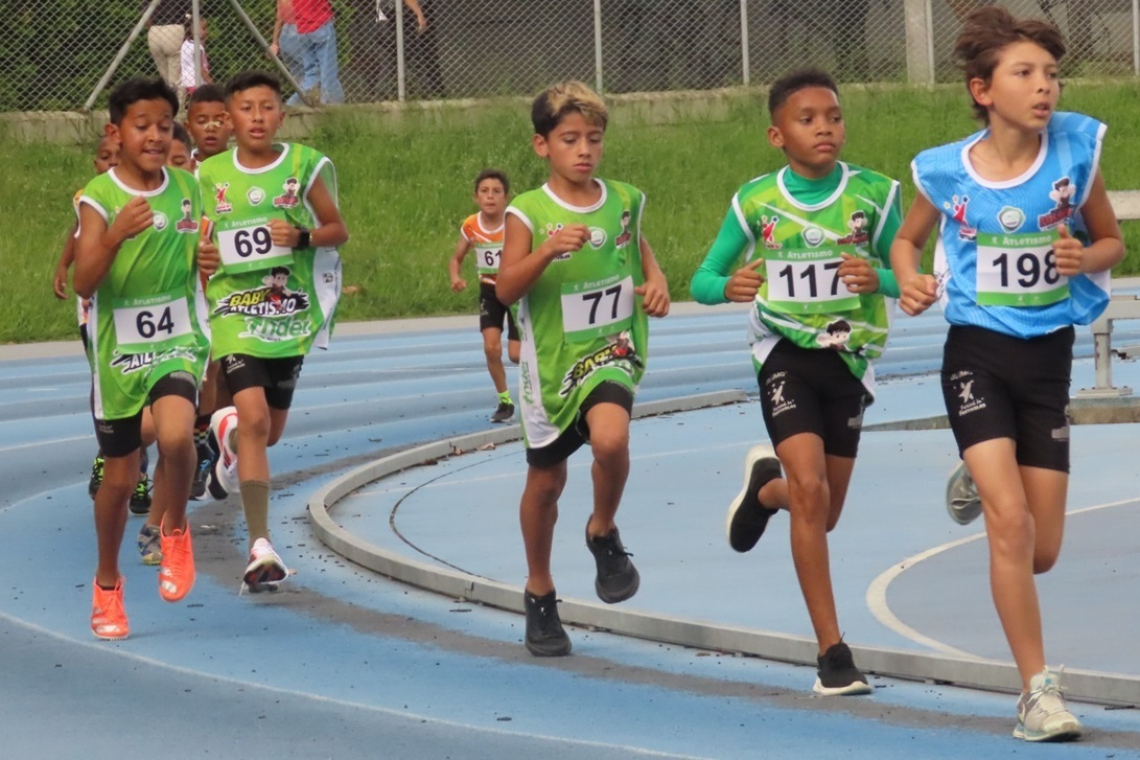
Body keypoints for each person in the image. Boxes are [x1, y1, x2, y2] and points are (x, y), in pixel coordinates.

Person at [890, 6, 1123, 742]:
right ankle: (1037, 691)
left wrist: (1085, 258)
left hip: (1046, 360)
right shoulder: (945, 169)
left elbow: (1111, 239)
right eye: (1025, 73)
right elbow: (907, 240)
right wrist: (908, 280)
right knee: (1011, 524)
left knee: (1041, 550)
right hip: (978, 355)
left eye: (1051, 74)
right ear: (983, 89)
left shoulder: (1075, 155)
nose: (1044, 87)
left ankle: (976, 475)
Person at [690, 68, 902, 696]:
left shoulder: (875, 194)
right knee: (811, 492)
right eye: (808, 119)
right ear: (776, 134)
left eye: (833, 116)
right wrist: (728, 286)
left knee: (821, 510)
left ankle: (764, 492)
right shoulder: (754, 202)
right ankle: (832, 653)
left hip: (849, 360)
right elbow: (702, 280)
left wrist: (880, 278)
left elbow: (918, 275)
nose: (825, 129)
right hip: (783, 354)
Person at [496, 80, 670, 656]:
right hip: (551, 365)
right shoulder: (527, 212)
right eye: (570, 139)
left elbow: (638, 250)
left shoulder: (624, 198)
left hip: (611, 349)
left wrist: (657, 282)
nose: (584, 150)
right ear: (541, 145)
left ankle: (602, 528)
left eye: (593, 139)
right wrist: (545, 251)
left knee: (612, 439)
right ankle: (540, 590)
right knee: (545, 482)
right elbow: (504, 290)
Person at [73, 77, 217, 639]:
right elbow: (85, 280)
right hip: (119, 352)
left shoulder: (189, 185)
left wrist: (206, 259)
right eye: (142, 126)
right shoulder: (98, 198)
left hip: (178, 337)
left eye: (163, 125)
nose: (155, 136)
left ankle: (175, 528)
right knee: (119, 476)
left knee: (179, 436)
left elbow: (199, 251)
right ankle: (108, 584)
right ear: (117, 132)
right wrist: (113, 237)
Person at [198, 71, 348, 592]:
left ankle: (227, 433)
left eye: (267, 108)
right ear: (229, 118)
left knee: (268, 431)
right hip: (234, 312)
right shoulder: (208, 175)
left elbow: (338, 229)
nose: (257, 117)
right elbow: (192, 242)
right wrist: (200, 254)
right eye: (246, 109)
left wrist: (302, 235)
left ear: (281, 116)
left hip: (288, 315)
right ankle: (260, 544)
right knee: (257, 417)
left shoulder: (303, 165)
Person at [182, 83, 234, 500]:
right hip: (193, 287)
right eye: (203, 121)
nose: (212, 127)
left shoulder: (247, 169)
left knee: (228, 371)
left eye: (220, 119)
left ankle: (218, 442)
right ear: (189, 126)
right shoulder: (183, 172)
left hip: (241, 286)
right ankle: (204, 446)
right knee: (207, 369)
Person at [448, 169, 520, 423]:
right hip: (489, 290)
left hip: (516, 291)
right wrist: (456, 278)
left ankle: (547, 381)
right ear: (476, 197)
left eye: (496, 192)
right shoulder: (471, 225)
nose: (490, 197)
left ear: (506, 197)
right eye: (484, 192)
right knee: (491, 348)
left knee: (516, 355)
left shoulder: (514, 223)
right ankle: (505, 400)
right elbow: (456, 258)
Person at [293, 0, 344, 105]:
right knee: (327, 71)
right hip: (320, 24)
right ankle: (327, 103)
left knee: (311, 73)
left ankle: (294, 104)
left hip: (303, 29)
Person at [145, 0, 191, 96]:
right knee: (176, 76)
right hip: (175, 26)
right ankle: (177, 105)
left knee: (164, 75)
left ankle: (168, 100)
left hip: (155, 29)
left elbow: (144, 10)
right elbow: (194, 10)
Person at [184, 85, 231, 171]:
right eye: (202, 121)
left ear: (232, 126)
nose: (211, 128)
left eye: (219, 121)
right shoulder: (183, 166)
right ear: (188, 128)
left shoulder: (244, 166)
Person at [270, 0, 305, 100]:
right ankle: (299, 101)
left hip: (285, 35)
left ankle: (303, 98)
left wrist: (275, 43)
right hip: (299, 31)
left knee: (298, 74)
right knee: (310, 71)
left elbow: (279, 19)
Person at [180, 16, 213, 103]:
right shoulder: (198, 47)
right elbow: (200, 68)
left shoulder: (186, 44)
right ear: (193, 30)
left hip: (186, 82)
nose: (207, 31)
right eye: (204, 28)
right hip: (197, 82)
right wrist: (210, 82)